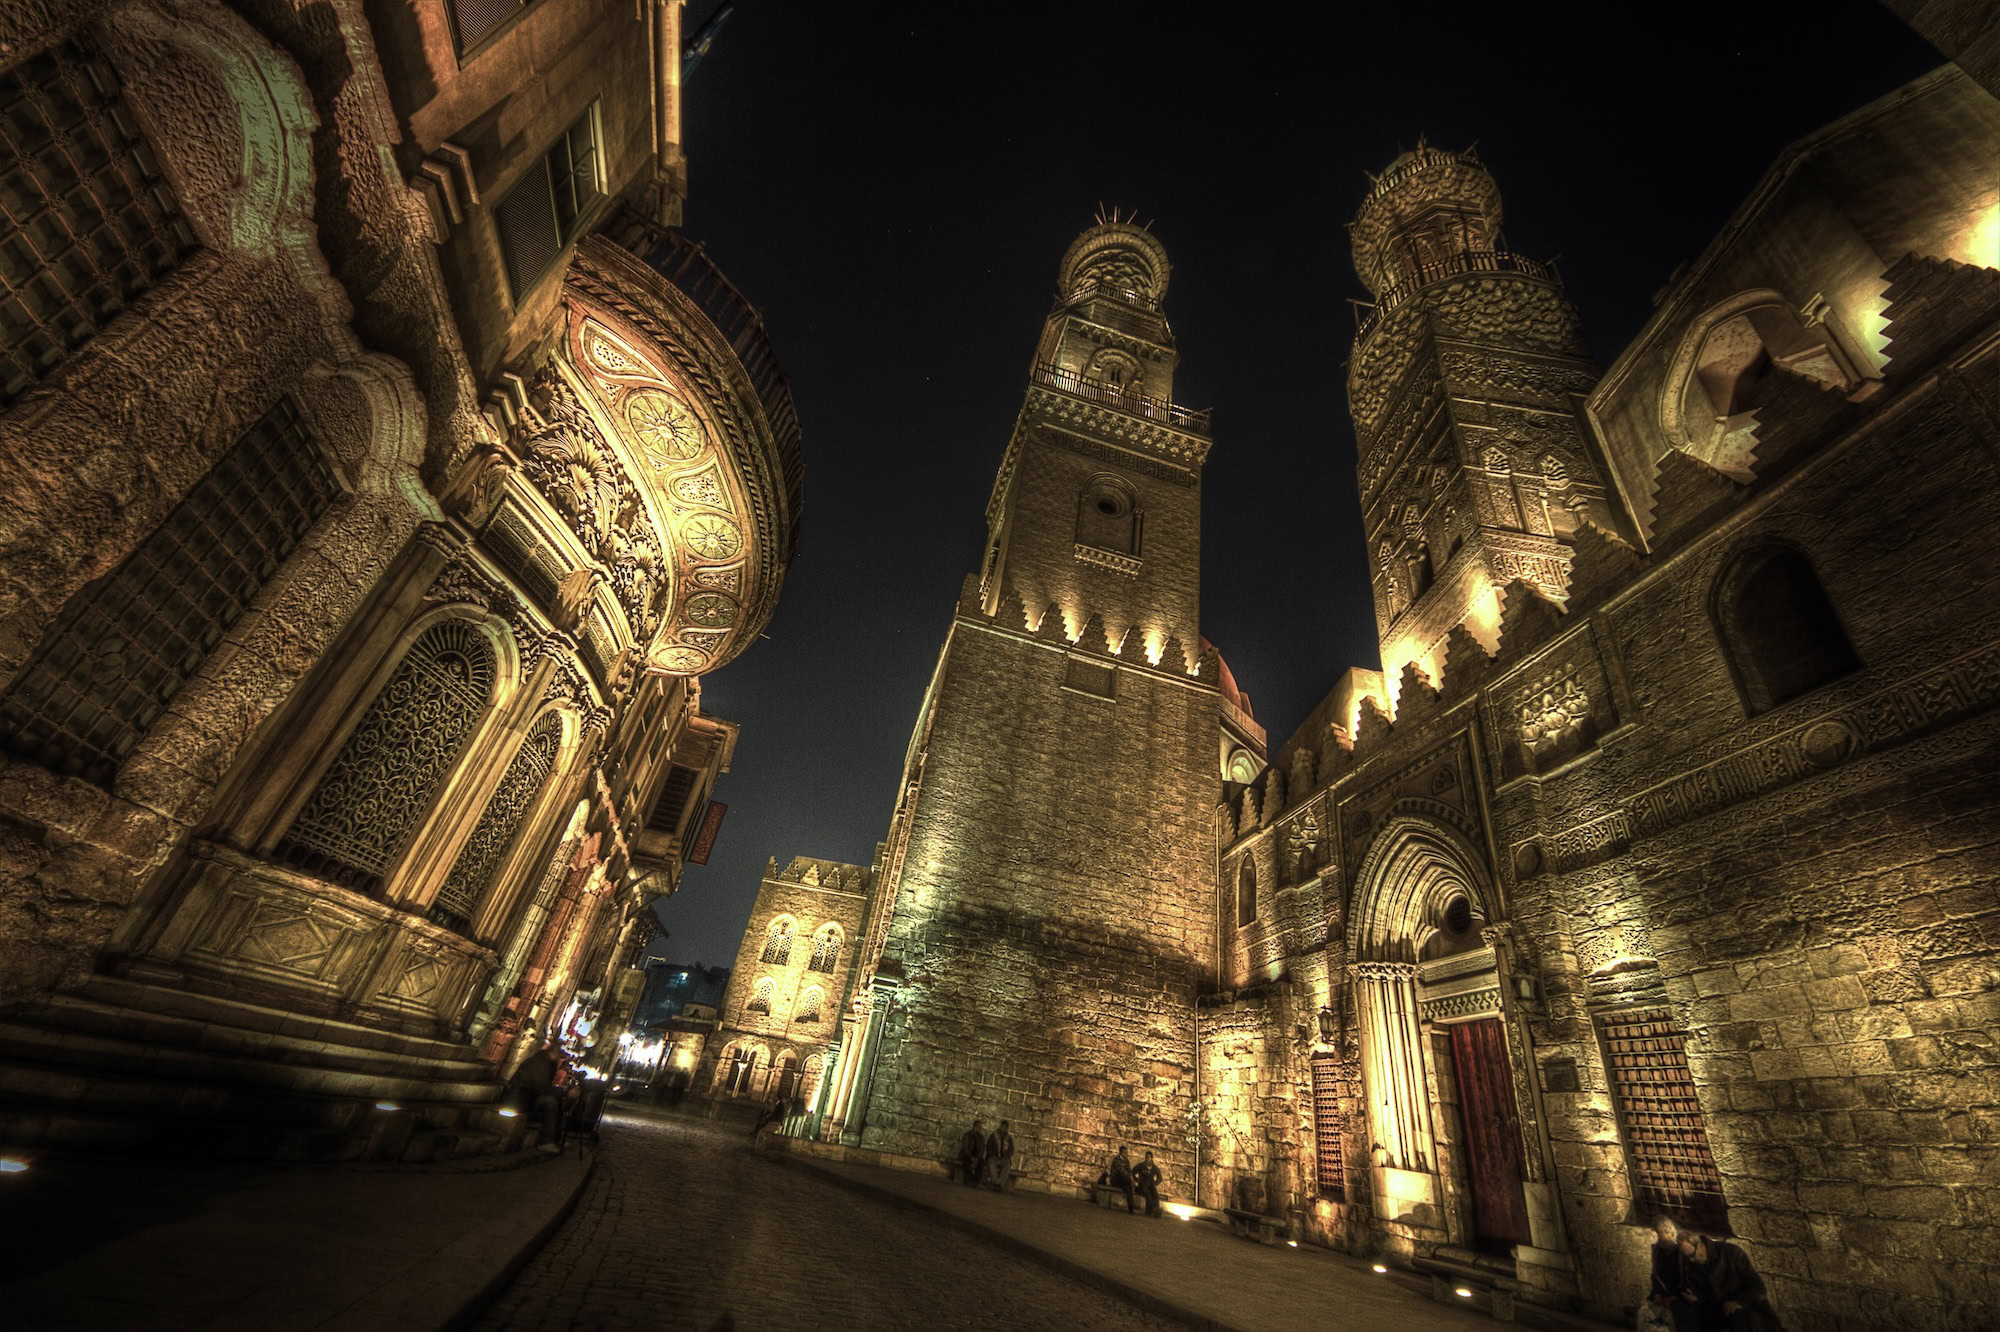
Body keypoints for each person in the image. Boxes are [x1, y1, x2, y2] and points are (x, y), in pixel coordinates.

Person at [1680, 1232, 1783, 1331]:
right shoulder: (1692, 1267)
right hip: (1720, 1316)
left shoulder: (1731, 1253)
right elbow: (1706, 1301)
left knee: (1738, 1316)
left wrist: (1739, 1301)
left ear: (1699, 1246)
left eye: (1692, 1255)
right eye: (1687, 1257)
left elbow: (1758, 1287)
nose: (1691, 1260)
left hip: (1747, 1312)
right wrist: (1695, 1299)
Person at [505, 1040, 564, 1152]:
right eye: (559, 1053)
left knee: (555, 1100)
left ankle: (555, 1139)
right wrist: (564, 1092)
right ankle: (546, 1141)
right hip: (519, 1099)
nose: (560, 1058)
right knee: (551, 1102)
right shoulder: (540, 1063)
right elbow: (542, 1088)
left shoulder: (545, 1062)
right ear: (554, 1052)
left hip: (527, 1097)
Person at [1645, 1217, 1695, 1331]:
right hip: (1664, 1294)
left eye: (1662, 1233)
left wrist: (1674, 1297)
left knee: (1673, 1315)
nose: (1659, 1237)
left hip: (1681, 1295)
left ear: (1671, 1233)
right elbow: (1655, 1275)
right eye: (1658, 1233)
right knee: (1647, 1313)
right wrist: (1657, 1293)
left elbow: (1689, 1279)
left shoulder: (1683, 1252)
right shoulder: (1657, 1250)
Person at [985, 1119, 1016, 1192]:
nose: (1003, 1129)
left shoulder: (1009, 1139)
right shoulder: (993, 1136)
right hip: (994, 1157)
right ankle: (996, 1184)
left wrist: (1005, 1157)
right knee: (991, 1163)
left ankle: (998, 1184)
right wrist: (995, 1156)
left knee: (1008, 1164)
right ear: (1000, 1127)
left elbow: (1011, 1150)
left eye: (1005, 1128)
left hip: (1004, 1158)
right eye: (1003, 1127)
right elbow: (988, 1147)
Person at [1106, 1146, 1137, 1213]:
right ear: (1121, 1153)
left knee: (1128, 1188)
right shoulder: (1116, 1160)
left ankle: (1131, 1208)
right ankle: (1131, 1208)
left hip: (1124, 1181)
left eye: (1127, 1152)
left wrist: (1132, 1179)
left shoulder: (1127, 1161)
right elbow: (1122, 1171)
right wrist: (1131, 1180)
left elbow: (1129, 1171)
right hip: (1115, 1180)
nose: (1127, 1154)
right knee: (1126, 1179)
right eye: (1125, 1152)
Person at [1134, 1150, 1163, 1217]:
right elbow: (1133, 1172)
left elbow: (1160, 1178)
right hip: (1143, 1185)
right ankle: (1149, 1212)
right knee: (1148, 1195)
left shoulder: (1154, 1168)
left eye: (1149, 1158)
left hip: (1151, 1185)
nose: (1147, 1159)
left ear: (1151, 1158)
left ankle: (1156, 1210)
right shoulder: (1141, 1166)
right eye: (1146, 1157)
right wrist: (1137, 1180)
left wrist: (1155, 1184)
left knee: (1155, 1195)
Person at [959, 1118, 987, 1187]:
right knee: (966, 1162)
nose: (979, 1129)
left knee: (981, 1163)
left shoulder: (981, 1137)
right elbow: (965, 1148)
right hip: (967, 1155)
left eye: (980, 1127)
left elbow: (982, 1149)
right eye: (978, 1127)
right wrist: (971, 1157)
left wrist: (977, 1158)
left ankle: (976, 1181)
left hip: (977, 1156)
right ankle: (968, 1180)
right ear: (974, 1127)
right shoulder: (967, 1135)